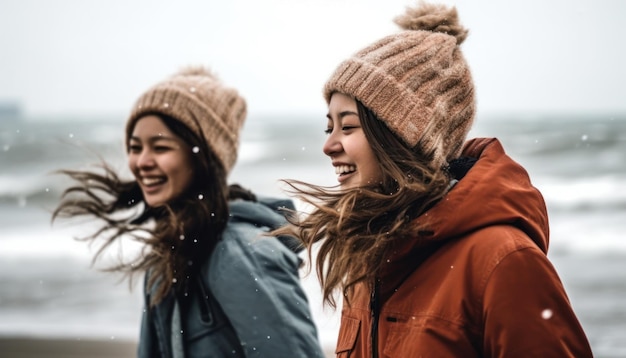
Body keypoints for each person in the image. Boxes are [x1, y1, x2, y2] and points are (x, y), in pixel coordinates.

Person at [275, 2, 593, 357]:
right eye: (328, 126)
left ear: (405, 136)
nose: (328, 145)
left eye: (348, 126)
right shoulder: (369, 258)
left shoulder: (502, 262)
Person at [52, 67, 324, 357]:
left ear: (204, 157)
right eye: (135, 147)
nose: (142, 161)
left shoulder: (241, 254)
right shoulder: (174, 251)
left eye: (160, 147)